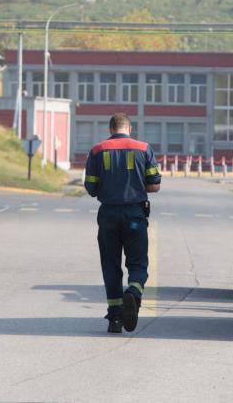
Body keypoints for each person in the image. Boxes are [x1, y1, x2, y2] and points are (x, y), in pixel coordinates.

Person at [84, 113, 161, 333]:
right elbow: (154, 185)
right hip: (135, 214)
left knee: (111, 265)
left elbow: (91, 187)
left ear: (111, 129)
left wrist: (110, 186)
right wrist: (135, 186)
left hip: (108, 215)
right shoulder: (144, 148)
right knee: (138, 263)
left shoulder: (97, 151)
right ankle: (133, 293)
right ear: (129, 128)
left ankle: (115, 318)